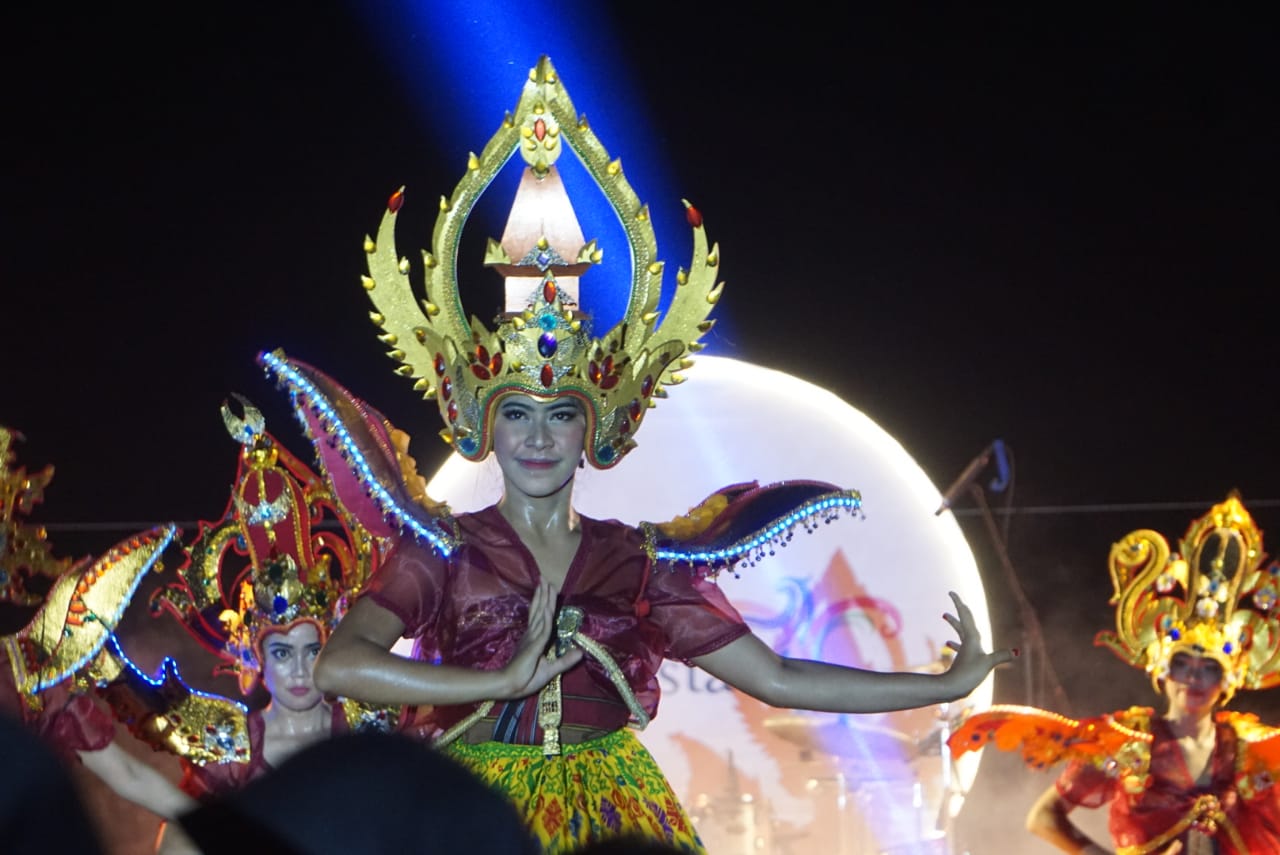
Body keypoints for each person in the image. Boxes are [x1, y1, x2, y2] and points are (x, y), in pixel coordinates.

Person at [257, 56, 1014, 854]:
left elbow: (781, 678)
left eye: (561, 414)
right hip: (478, 810)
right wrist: (498, 683)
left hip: (612, 808)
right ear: (483, 423)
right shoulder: (445, 551)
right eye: (517, 413)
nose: (539, 437)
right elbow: (343, 662)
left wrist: (940, 685)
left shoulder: (638, 564)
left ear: (596, 428)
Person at [949, 494, 1280, 855]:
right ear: (1161, 671)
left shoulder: (1252, 749)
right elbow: (1044, 817)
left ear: (1228, 681)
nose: (1193, 679)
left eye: (1209, 669)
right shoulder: (1127, 741)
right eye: (1182, 664)